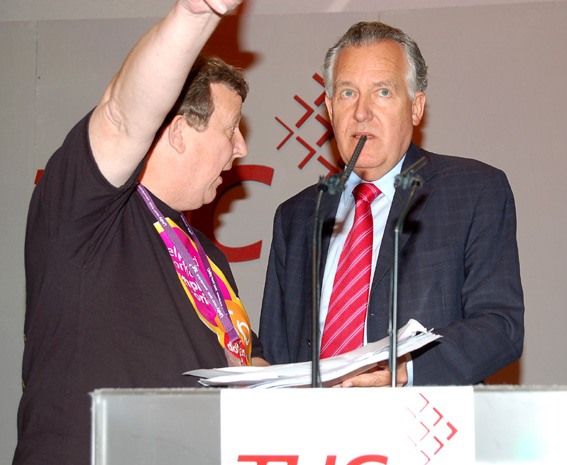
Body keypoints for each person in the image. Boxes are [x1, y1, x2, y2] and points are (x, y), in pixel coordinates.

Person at [14, 1, 267, 464]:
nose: (240, 148)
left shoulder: (210, 258)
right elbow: (119, 116)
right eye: (230, 129)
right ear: (176, 132)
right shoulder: (88, 212)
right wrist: (195, 14)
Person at [259, 21, 524, 387]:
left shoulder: (473, 191)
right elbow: (277, 351)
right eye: (348, 93)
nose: (362, 112)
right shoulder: (297, 216)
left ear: (415, 108)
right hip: (314, 436)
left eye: (382, 92)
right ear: (329, 108)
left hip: (422, 430)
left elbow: (500, 326)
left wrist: (406, 373)